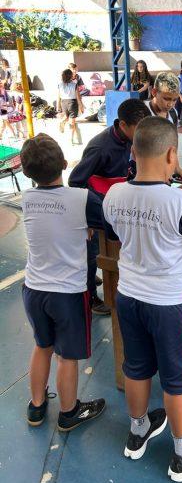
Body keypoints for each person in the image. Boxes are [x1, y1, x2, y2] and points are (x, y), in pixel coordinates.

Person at [103, 116, 182, 481]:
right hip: (171, 304)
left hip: (129, 296)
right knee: (177, 378)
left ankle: (138, 431)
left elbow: (116, 235)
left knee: (136, 367)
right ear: (172, 154)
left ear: (133, 151)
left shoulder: (114, 194)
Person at [20, 134, 106, 432]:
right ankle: (69, 412)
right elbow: (109, 223)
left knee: (42, 345)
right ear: (65, 164)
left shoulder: (27, 199)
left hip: (34, 289)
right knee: (67, 356)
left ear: (26, 172)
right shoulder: (81, 199)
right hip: (67, 293)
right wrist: (88, 226)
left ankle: (36, 406)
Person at [69, 98, 151, 315]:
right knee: (91, 253)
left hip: (114, 204)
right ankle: (90, 297)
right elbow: (75, 182)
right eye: (139, 129)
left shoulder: (129, 140)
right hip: (96, 208)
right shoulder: (100, 147)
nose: (142, 134)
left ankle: (94, 273)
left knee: (105, 249)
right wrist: (101, 205)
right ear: (123, 125)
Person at [148, 71, 182, 179]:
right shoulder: (143, 114)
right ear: (154, 92)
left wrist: (176, 166)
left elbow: (173, 143)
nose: (170, 104)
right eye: (166, 99)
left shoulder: (173, 113)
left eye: (175, 100)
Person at [56, 68, 84, 145]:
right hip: (72, 103)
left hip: (63, 102)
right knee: (72, 122)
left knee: (66, 116)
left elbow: (58, 97)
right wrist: (81, 107)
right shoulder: (74, 84)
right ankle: (71, 140)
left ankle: (62, 121)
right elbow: (78, 97)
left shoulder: (60, 84)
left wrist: (58, 106)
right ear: (71, 76)